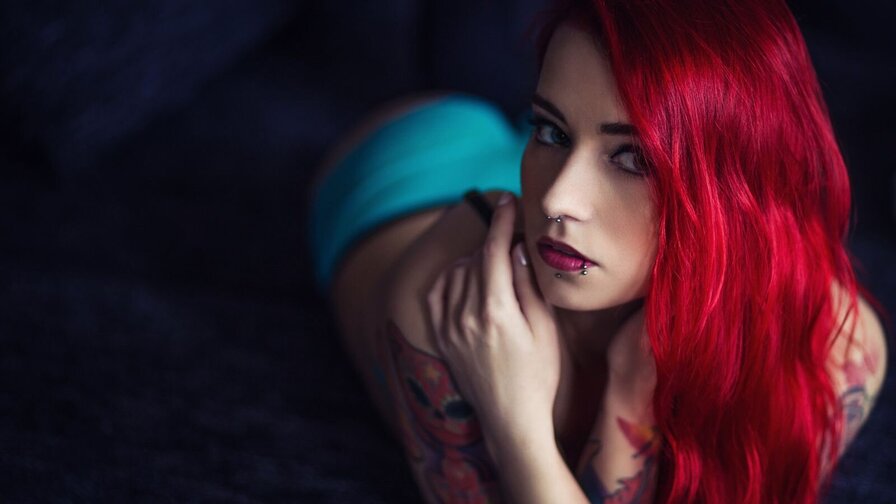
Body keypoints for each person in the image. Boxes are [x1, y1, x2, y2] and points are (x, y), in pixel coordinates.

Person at [306, 0, 889, 502]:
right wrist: (517, 427)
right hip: (417, 165)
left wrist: (630, 392)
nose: (556, 199)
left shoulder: (832, 343)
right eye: (549, 131)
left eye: (634, 159)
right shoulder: (450, 303)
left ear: (734, 191)